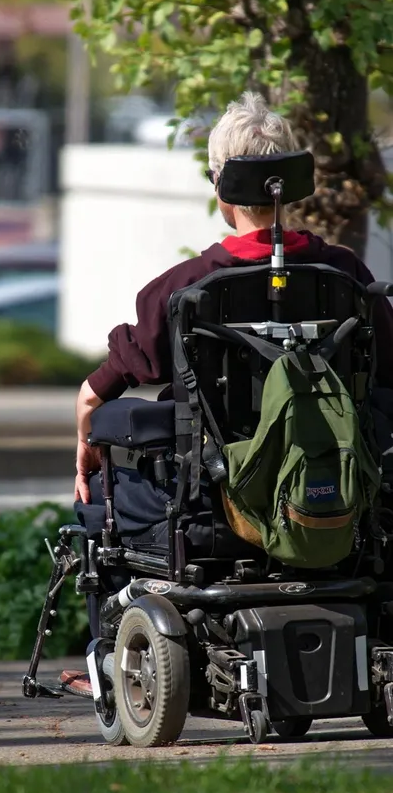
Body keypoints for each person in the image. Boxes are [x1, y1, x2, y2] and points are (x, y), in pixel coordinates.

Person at [60, 92, 393, 697]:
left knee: (97, 504)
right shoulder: (349, 278)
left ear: (220, 188)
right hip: (337, 492)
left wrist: (87, 444)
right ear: (292, 187)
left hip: (218, 502)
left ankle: (110, 666)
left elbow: (95, 395)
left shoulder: (186, 288)